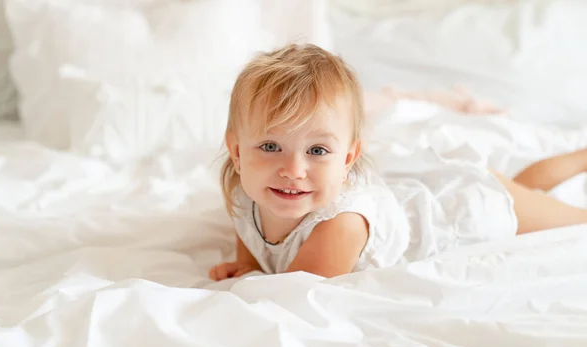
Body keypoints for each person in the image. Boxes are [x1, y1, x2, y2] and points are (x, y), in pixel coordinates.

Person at [209, 43, 587, 281]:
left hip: (466, 210)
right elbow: (250, 231)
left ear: (348, 158)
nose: (293, 169)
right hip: (425, 197)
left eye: (318, 151)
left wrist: (249, 281)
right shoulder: (244, 194)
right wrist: (248, 265)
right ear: (237, 152)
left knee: (572, 219)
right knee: (528, 189)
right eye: (271, 146)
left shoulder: (339, 227)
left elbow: (287, 297)